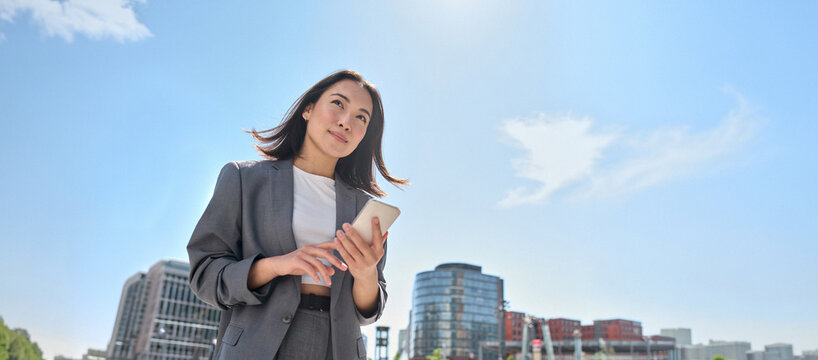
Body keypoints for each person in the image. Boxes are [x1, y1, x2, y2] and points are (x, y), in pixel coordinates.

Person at [187, 70, 407, 360]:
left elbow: (368, 312)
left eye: (361, 118)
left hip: (337, 348)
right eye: (338, 104)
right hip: (258, 345)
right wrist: (278, 265)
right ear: (308, 109)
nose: (346, 122)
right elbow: (205, 276)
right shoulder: (243, 179)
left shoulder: (364, 208)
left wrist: (366, 274)